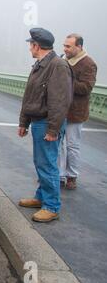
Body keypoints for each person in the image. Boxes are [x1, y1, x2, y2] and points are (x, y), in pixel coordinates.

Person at [18, 28, 73, 223]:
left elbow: (60, 101)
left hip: (47, 122)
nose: (29, 48)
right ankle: (41, 197)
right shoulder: (41, 64)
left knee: (48, 164)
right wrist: (23, 122)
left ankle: (51, 206)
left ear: (37, 46)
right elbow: (29, 96)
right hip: (38, 121)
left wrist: (53, 129)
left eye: (30, 45)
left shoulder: (57, 66)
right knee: (41, 162)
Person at [58, 34, 98, 190]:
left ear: (79, 47)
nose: (65, 49)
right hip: (61, 110)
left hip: (76, 112)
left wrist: (66, 79)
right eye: (64, 45)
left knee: (72, 146)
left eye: (68, 46)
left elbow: (86, 88)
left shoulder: (89, 64)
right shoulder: (63, 60)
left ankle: (71, 176)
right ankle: (59, 175)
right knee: (58, 145)